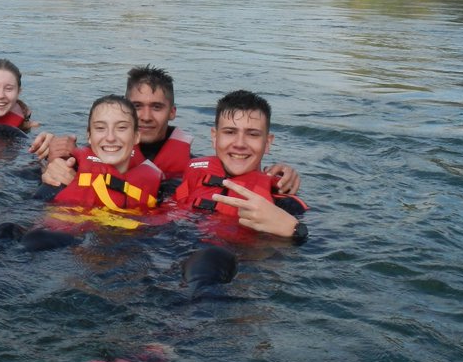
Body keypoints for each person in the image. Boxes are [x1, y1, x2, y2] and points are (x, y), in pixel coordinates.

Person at [37, 66, 301, 195]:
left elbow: (236, 166)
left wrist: (278, 174)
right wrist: (49, 162)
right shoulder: (91, 148)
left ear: (172, 112)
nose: (146, 117)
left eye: (157, 107)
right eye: (137, 106)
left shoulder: (190, 163)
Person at [172, 89, 308, 240]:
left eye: (252, 134)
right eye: (230, 132)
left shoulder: (284, 204)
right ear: (215, 137)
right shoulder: (191, 177)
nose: (240, 144)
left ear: (267, 142)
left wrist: (293, 231)